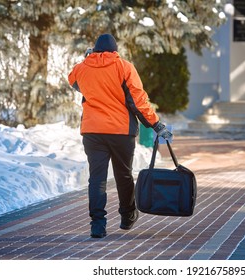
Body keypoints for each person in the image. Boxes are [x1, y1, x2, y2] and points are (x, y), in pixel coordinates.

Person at [68, 34, 172, 238]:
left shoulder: (82, 68)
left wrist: (87, 59)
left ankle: (97, 225)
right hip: (120, 131)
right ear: (115, 50)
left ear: (94, 50)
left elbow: (72, 79)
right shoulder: (124, 67)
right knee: (123, 175)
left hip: (92, 131)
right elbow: (138, 101)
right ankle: (127, 216)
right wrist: (156, 124)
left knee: (96, 179)